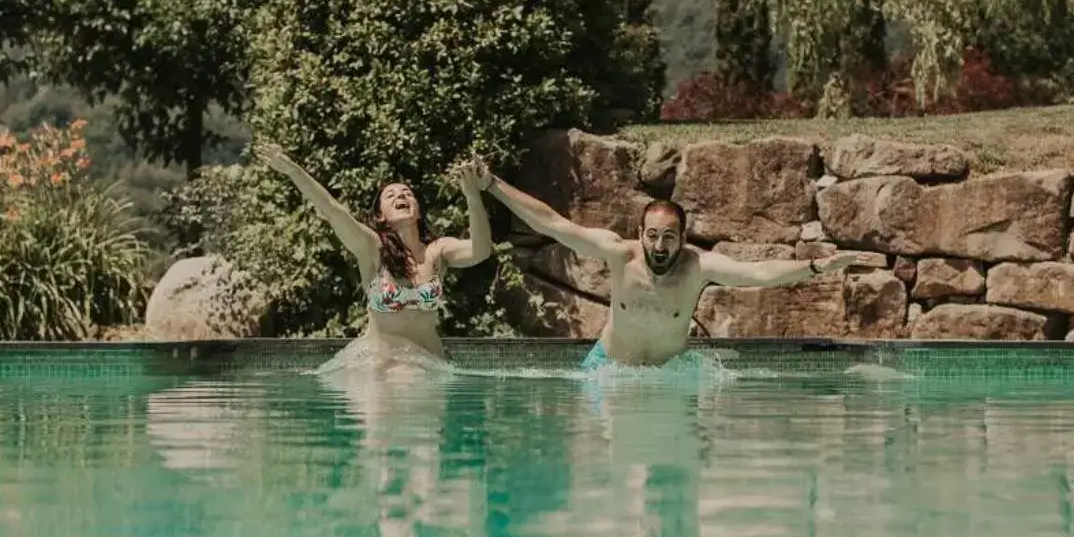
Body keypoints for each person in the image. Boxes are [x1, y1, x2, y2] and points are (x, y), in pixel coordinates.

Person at [484, 174, 863, 368]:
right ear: (639, 235)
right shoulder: (619, 255)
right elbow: (552, 223)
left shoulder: (698, 267)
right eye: (652, 236)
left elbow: (759, 274)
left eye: (669, 237)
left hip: (670, 374)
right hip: (608, 370)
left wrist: (816, 266)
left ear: (683, 237)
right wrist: (492, 184)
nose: (660, 246)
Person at [253, 141, 495, 372]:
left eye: (407, 194)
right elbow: (332, 210)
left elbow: (481, 250)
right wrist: (291, 169)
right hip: (380, 365)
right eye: (390, 196)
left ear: (419, 211)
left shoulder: (438, 250)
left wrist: (472, 194)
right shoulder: (372, 248)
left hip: (430, 364)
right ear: (380, 216)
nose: (401, 196)